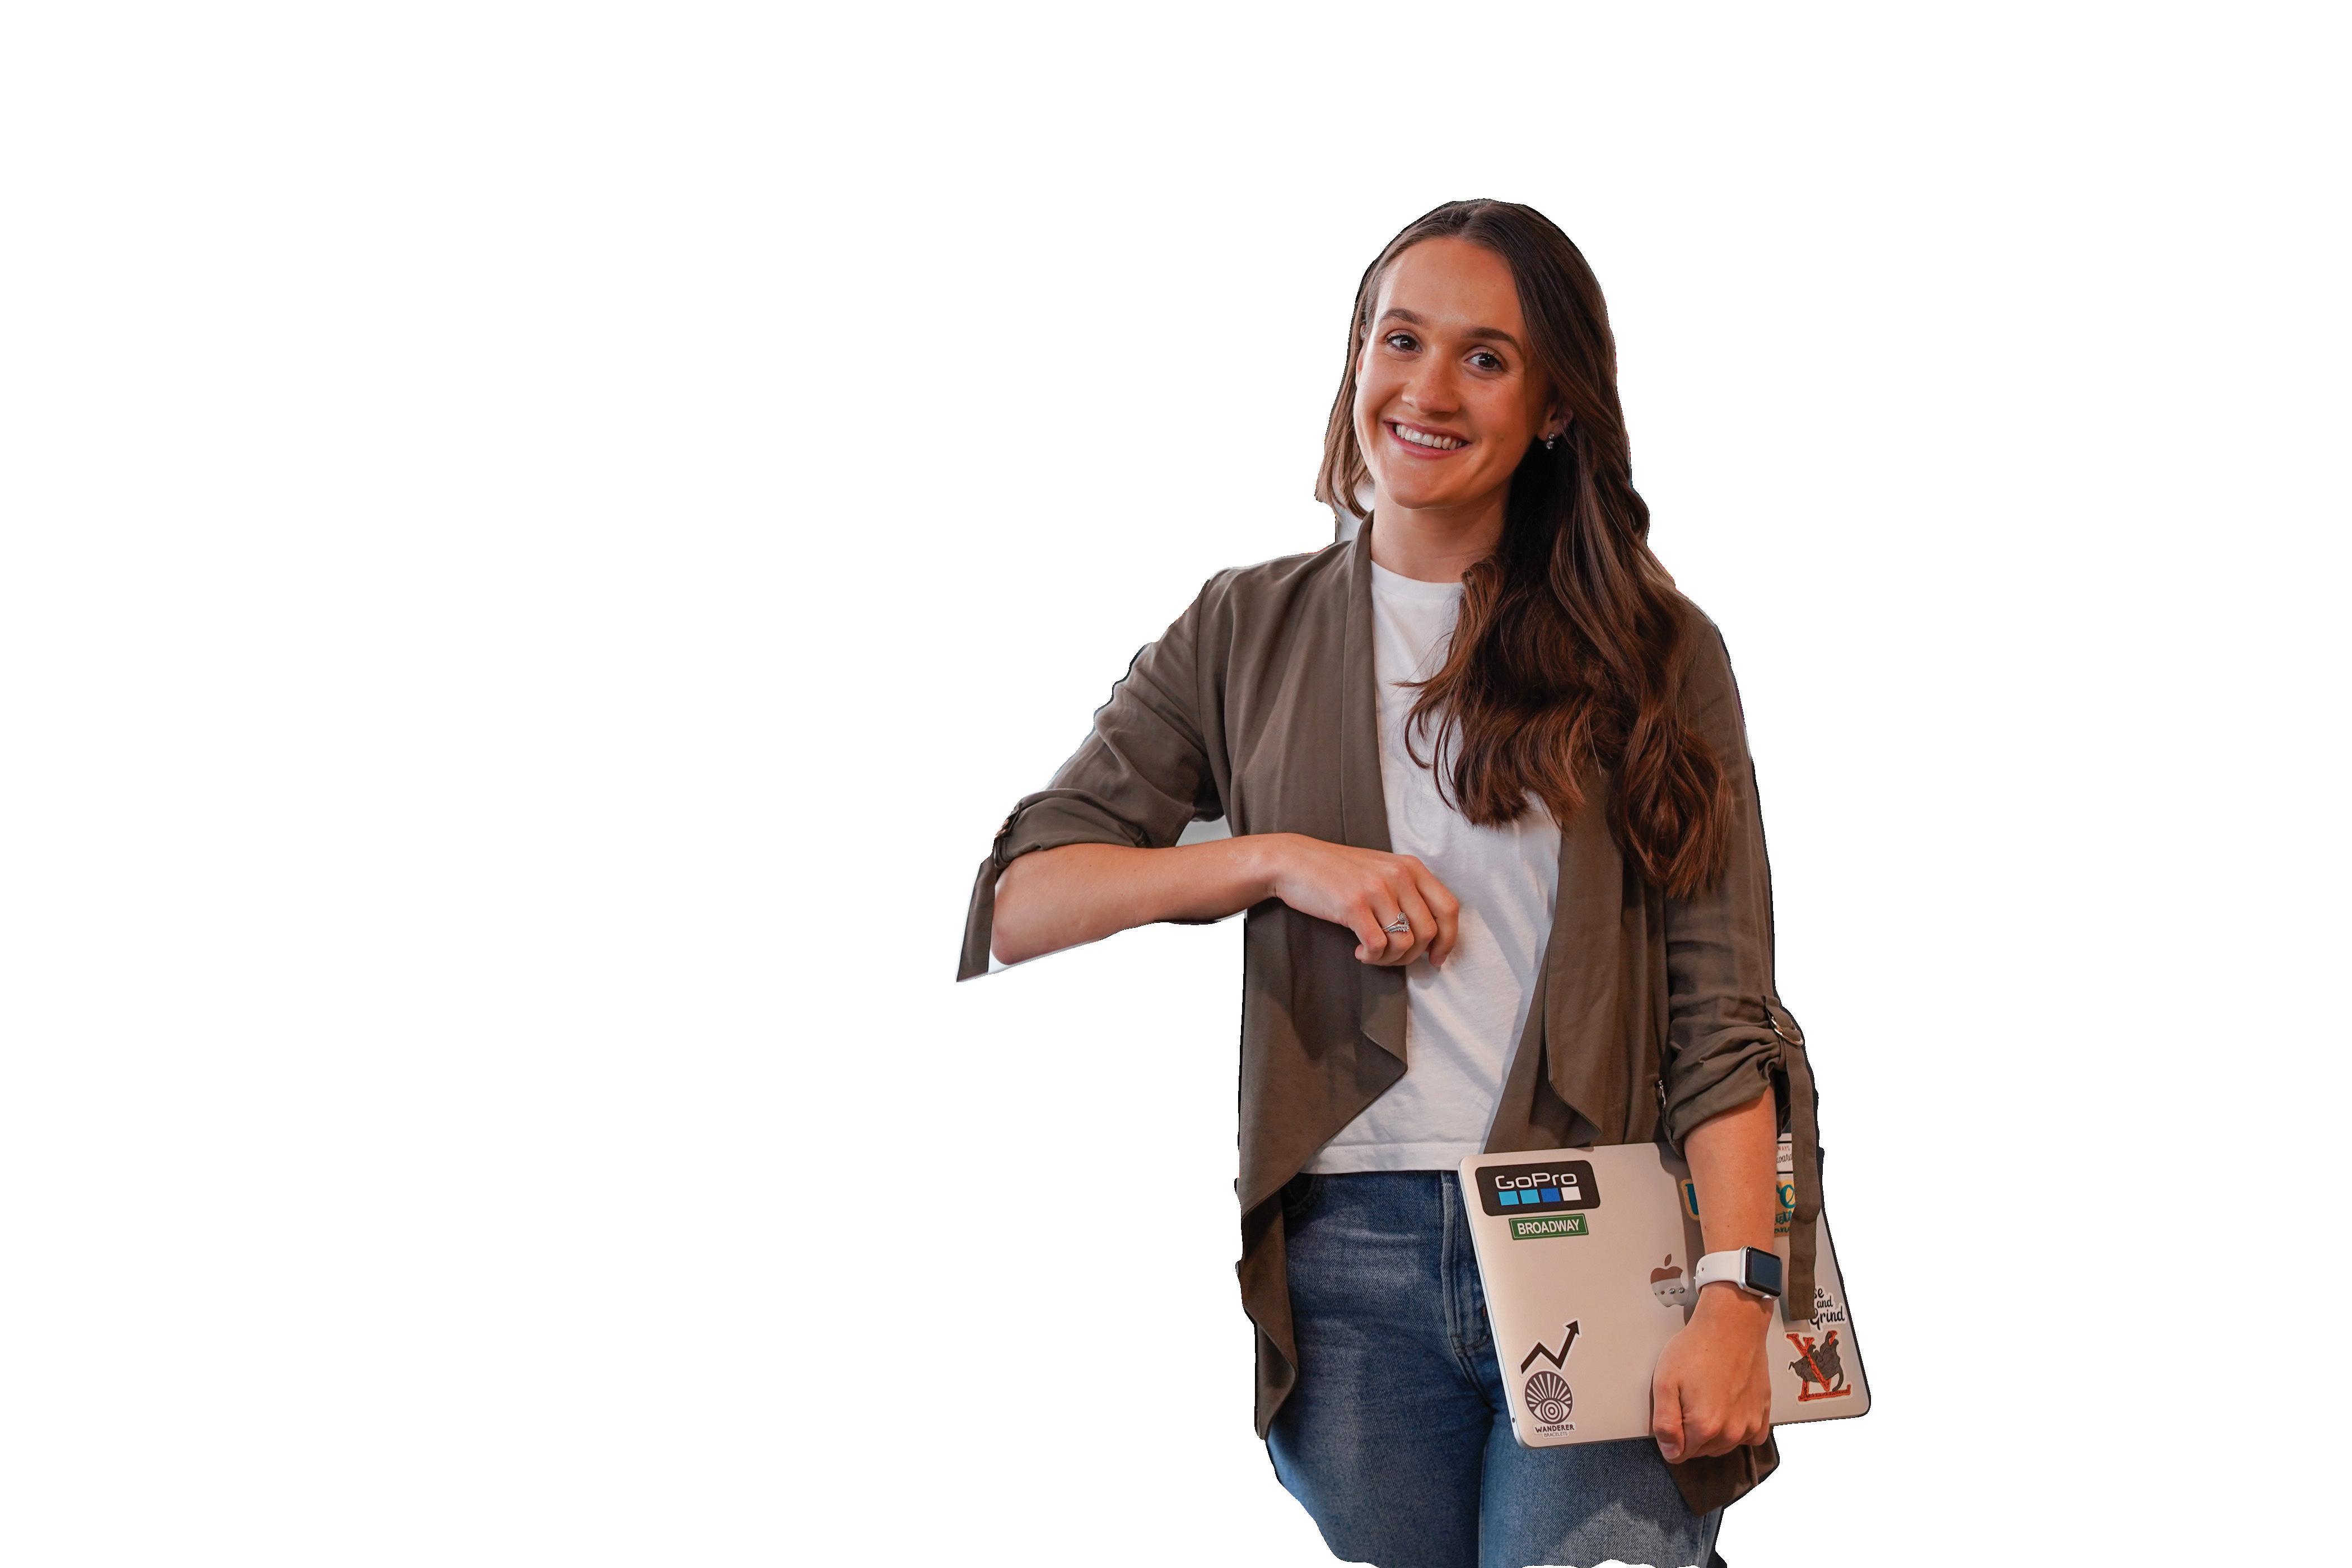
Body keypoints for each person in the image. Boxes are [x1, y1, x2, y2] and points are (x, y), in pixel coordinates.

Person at [956, 199, 1823, 1568]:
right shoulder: (1242, 626)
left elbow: (1723, 1012)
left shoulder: (1657, 651)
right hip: (1349, 1260)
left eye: (1486, 357)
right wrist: (1280, 858)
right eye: (1400, 339)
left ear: (1554, 405)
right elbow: (1023, 896)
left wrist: (1738, 1289)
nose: (1427, 389)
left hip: (1600, 1226)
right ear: (1357, 354)